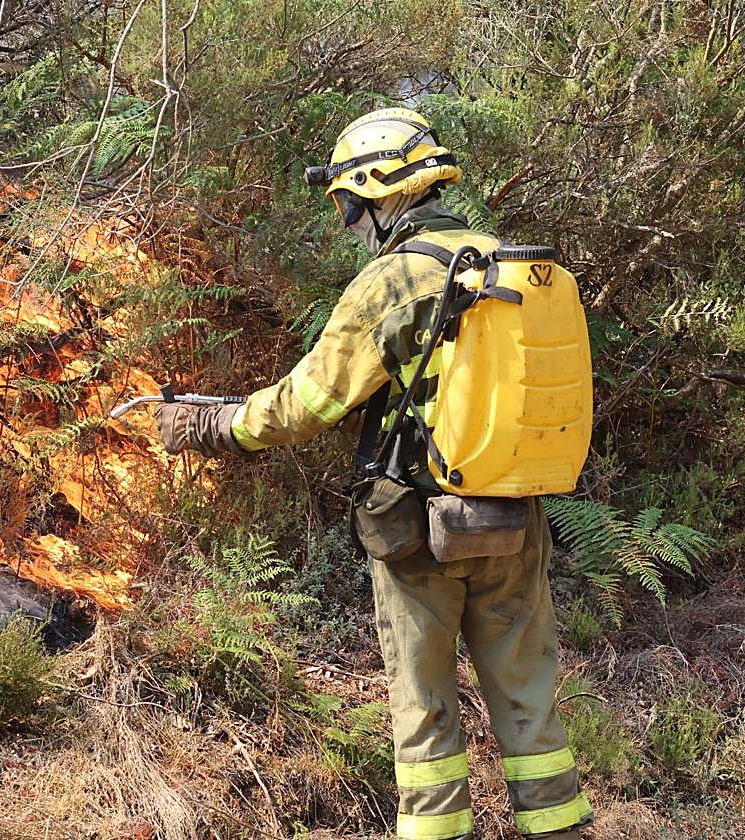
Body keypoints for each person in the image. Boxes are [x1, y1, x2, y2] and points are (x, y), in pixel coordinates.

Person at [154, 107, 593, 840]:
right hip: (515, 519)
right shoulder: (504, 261)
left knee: (422, 714)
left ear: (376, 190)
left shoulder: (395, 280)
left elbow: (308, 403)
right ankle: (559, 827)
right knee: (529, 698)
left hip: (418, 531)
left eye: (347, 204)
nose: (347, 221)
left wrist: (211, 424)